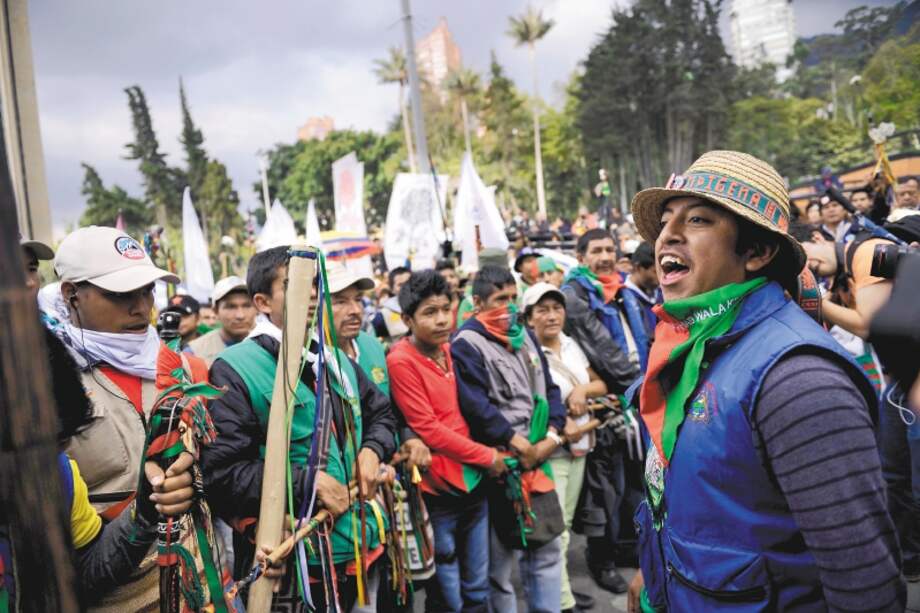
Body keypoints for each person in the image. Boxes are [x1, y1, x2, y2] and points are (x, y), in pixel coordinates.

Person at [625, 150, 904, 612]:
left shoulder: (800, 380)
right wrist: (656, 572)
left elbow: (864, 582)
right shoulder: (695, 345)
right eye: (666, 220)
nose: (666, 235)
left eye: (696, 220)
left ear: (756, 252)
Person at [201, 246, 398, 611]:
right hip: (295, 563)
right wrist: (308, 481)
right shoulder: (234, 369)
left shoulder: (334, 357)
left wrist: (371, 451)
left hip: (359, 545)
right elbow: (222, 473)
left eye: (316, 284)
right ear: (262, 301)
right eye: (295, 285)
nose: (312, 293)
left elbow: (382, 415)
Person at [48, 225, 200, 610]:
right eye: (121, 295)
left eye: (147, 290)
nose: (141, 307)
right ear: (72, 295)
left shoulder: (177, 365)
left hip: (195, 587)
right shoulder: (50, 382)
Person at [387, 270, 509, 613]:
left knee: (477, 585)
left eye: (445, 308)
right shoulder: (401, 360)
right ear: (408, 319)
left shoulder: (452, 349)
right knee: (448, 590)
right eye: (429, 312)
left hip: (473, 482)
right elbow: (428, 428)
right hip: (439, 489)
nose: (442, 319)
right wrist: (487, 455)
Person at [451, 265, 567, 613]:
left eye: (512, 299)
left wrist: (551, 435)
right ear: (477, 302)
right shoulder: (465, 343)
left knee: (546, 550)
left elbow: (549, 388)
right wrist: (515, 444)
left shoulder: (524, 334)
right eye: (500, 300)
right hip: (502, 465)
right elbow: (475, 406)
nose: (509, 308)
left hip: (538, 456)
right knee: (499, 565)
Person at [562, 227, 648, 593]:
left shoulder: (622, 289)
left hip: (634, 396)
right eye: (596, 250)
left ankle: (625, 548)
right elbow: (602, 350)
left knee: (633, 484)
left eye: (610, 249)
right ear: (581, 256)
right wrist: (642, 383)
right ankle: (602, 561)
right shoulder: (574, 294)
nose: (605, 256)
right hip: (609, 401)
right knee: (605, 490)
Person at [524, 282, 607, 613]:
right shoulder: (527, 354)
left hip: (580, 446)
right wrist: (557, 426)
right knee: (553, 533)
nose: (551, 316)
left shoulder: (571, 344)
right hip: (551, 451)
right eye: (542, 310)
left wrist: (581, 392)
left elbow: (600, 383)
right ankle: (559, 602)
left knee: (567, 526)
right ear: (528, 317)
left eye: (556, 308)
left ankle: (563, 594)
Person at [188, 276, 256, 365]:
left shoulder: (272, 345)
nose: (240, 315)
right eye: (231, 307)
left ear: (257, 308)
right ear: (215, 311)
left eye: (247, 306)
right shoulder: (194, 352)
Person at [623, 242, 661, 336]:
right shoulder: (623, 299)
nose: (661, 277)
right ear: (638, 268)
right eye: (655, 272)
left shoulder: (661, 293)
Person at [369, 266, 412, 343]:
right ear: (392, 289)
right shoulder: (382, 316)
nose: (406, 287)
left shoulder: (425, 306)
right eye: (400, 285)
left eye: (409, 283)